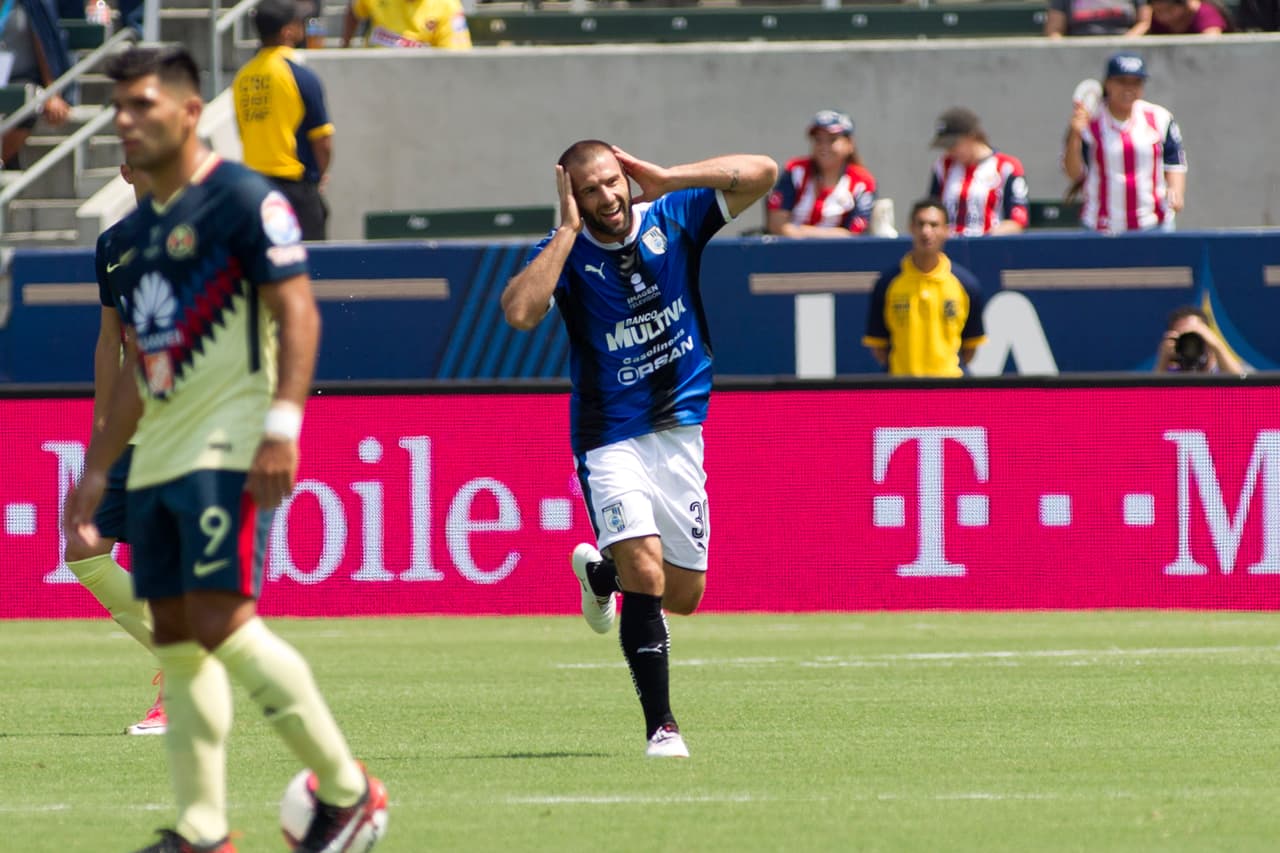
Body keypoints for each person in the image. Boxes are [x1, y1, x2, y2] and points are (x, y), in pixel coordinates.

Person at [61, 45, 386, 853]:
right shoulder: (138, 234)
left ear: (187, 110)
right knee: (175, 631)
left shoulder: (244, 200)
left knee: (221, 618)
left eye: (141, 106)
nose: (126, 123)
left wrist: (282, 427)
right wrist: (98, 464)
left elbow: (300, 314)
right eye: (119, 110)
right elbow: (140, 361)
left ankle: (350, 793)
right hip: (163, 448)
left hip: (227, 445)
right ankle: (204, 827)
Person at [500, 140, 776, 759]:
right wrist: (567, 231)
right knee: (647, 573)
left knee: (685, 596)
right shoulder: (566, 252)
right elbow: (519, 313)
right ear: (574, 197)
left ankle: (602, 574)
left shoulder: (672, 218)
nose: (606, 197)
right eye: (589, 190)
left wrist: (670, 177)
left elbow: (765, 173)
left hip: (679, 431)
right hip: (609, 436)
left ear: (626, 176)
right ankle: (663, 728)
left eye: (611, 182)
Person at [63, 161, 167, 737]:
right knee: (84, 548)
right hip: (135, 428)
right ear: (125, 170)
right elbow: (111, 339)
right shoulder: (114, 243)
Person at [234, 0, 334, 241]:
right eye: (298, 22)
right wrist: (320, 175)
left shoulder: (243, 77)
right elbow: (323, 140)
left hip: (254, 189)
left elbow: (243, 130)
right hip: (295, 189)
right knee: (311, 266)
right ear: (287, 31)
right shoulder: (299, 75)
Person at [1063, 52, 1188, 234]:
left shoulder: (1160, 118)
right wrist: (1075, 133)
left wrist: (1176, 191)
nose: (1128, 88)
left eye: (1136, 82)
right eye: (1122, 81)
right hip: (1100, 226)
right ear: (1108, 83)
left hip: (1155, 224)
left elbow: (1174, 161)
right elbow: (1075, 173)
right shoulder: (1090, 121)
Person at [862, 198, 986, 377]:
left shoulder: (966, 285)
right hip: (902, 390)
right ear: (911, 228)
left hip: (949, 389)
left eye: (934, 225)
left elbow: (970, 347)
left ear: (946, 230)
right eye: (920, 224)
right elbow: (879, 346)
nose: (926, 232)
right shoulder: (888, 283)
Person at [766, 109, 876, 238]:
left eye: (832, 140)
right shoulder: (795, 171)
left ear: (849, 144)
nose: (824, 146)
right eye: (818, 140)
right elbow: (777, 225)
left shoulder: (862, 181)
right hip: (791, 252)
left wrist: (801, 231)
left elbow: (855, 234)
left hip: (842, 255)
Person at [927, 107, 1029, 236]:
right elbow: (930, 212)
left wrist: (985, 239)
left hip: (991, 248)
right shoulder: (942, 167)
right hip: (947, 249)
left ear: (972, 137)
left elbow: (1018, 222)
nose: (949, 151)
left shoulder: (1007, 167)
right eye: (945, 147)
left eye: (953, 145)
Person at [1, 0, 74, 169]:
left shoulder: (31, 4)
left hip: (23, 77)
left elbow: (46, 45)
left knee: (28, 102)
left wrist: (52, 92)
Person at [1154, 305, 1246, 375]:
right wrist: (1163, 360)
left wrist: (1217, 346)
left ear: (1208, 336)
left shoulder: (1224, 369)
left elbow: (1242, 388)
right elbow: (1153, 397)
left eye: (1195, 335)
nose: (1191, 344)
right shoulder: (1169, 375)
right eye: (1184, 338)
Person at [340, 0, 471, 49]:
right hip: (373, 76)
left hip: (421, 84)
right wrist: (345, 46)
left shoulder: (448, 6)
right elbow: (354, 10)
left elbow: (456, 60)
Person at [1045, 0, 1151, 36]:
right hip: (1080, 53)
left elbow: (1143, 22)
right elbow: (1054, 31)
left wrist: (1126, 42)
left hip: (1124, 49)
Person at [1148, 0, 1233, 32]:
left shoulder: (1206, 13)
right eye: (1158, 11)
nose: (1163, 17)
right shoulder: (1155, 19)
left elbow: (1212, 46)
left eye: (1168, 10)